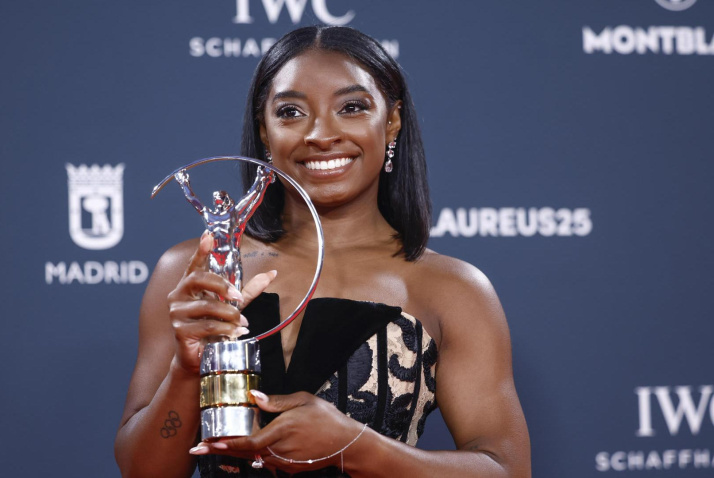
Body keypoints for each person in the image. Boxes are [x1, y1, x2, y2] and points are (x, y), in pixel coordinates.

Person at [115, 26, 531, 477]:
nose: (320, 134)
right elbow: (142, 471)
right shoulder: (192, 271)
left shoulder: (451, 289)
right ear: (265, 130)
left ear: (391, 121)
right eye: (291, 112)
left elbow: (506, 470)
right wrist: (185, 367)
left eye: (352, 107)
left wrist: (357, 447)